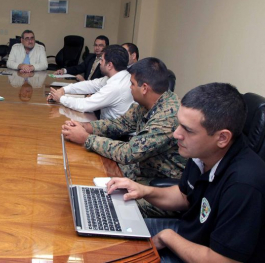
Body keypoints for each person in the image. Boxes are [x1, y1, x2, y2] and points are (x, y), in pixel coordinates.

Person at [107, 83, 265, 262]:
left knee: (117, 256)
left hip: (206, 254)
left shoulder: (244, 184)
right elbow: (185, 196)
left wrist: (168, 237)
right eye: (179, 124)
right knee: (111, 232)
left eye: (187, 130)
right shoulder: (203, 153)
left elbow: (222, 260)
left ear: (222, 138)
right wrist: (143, 190)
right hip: (189, 234)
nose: (176, 134)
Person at [62, 58, 186, 216]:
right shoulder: (147, 104)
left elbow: (129, 153)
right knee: (87, 178)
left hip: (160, 188)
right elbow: (120, 124)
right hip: (141, 171)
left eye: (132, 84)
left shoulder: (168, 116)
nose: (129, 87)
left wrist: (86, 139)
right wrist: (86, 127)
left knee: (101, 204)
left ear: (145, 88)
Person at [48, 45, 134, 120]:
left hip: (113, 133)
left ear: (109, 65)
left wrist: (61, 98)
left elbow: (85, 105)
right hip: (105, 123)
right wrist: (64, 90)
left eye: (102, 60)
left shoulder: (116, 86)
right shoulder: (118, 77)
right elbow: (90, 84)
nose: (99, 62)